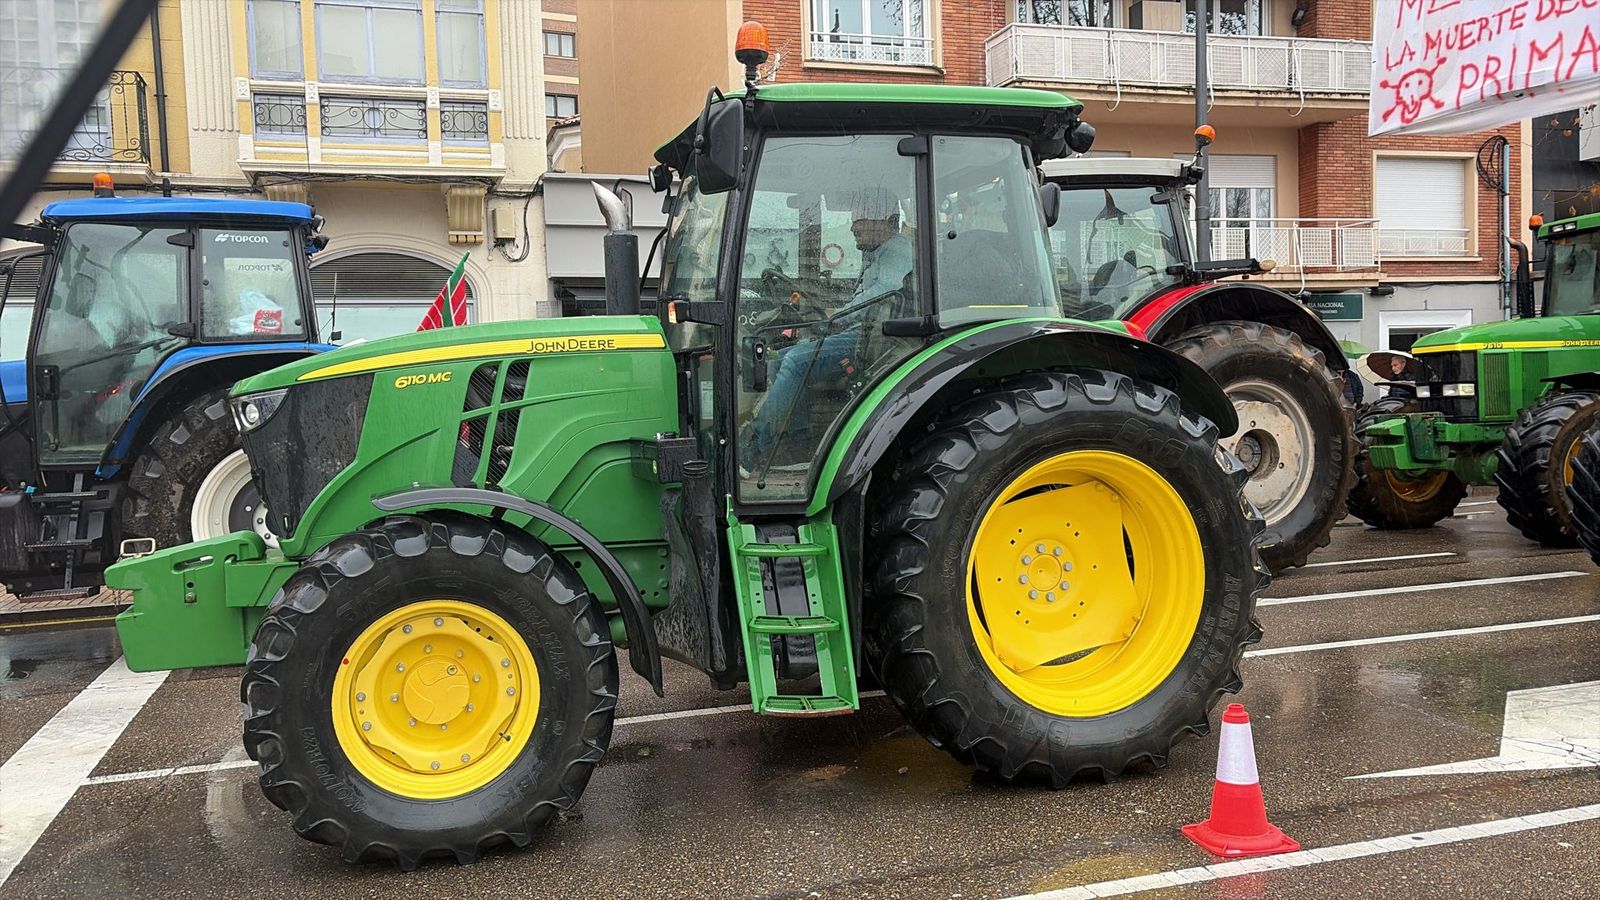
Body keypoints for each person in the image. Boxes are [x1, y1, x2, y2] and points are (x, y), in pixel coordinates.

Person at [742, 188, 914, 475]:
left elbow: (882, 295)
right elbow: (869, 294)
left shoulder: (896, 251)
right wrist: (835, 315)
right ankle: (797, 446)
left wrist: (840, 317)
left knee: (797, 360)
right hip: (864, 331)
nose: (852, 227)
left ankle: (755, 447)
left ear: (880, 219)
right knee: (776, 361)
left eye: (858, 220)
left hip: (876, 341)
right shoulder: (878, 253)